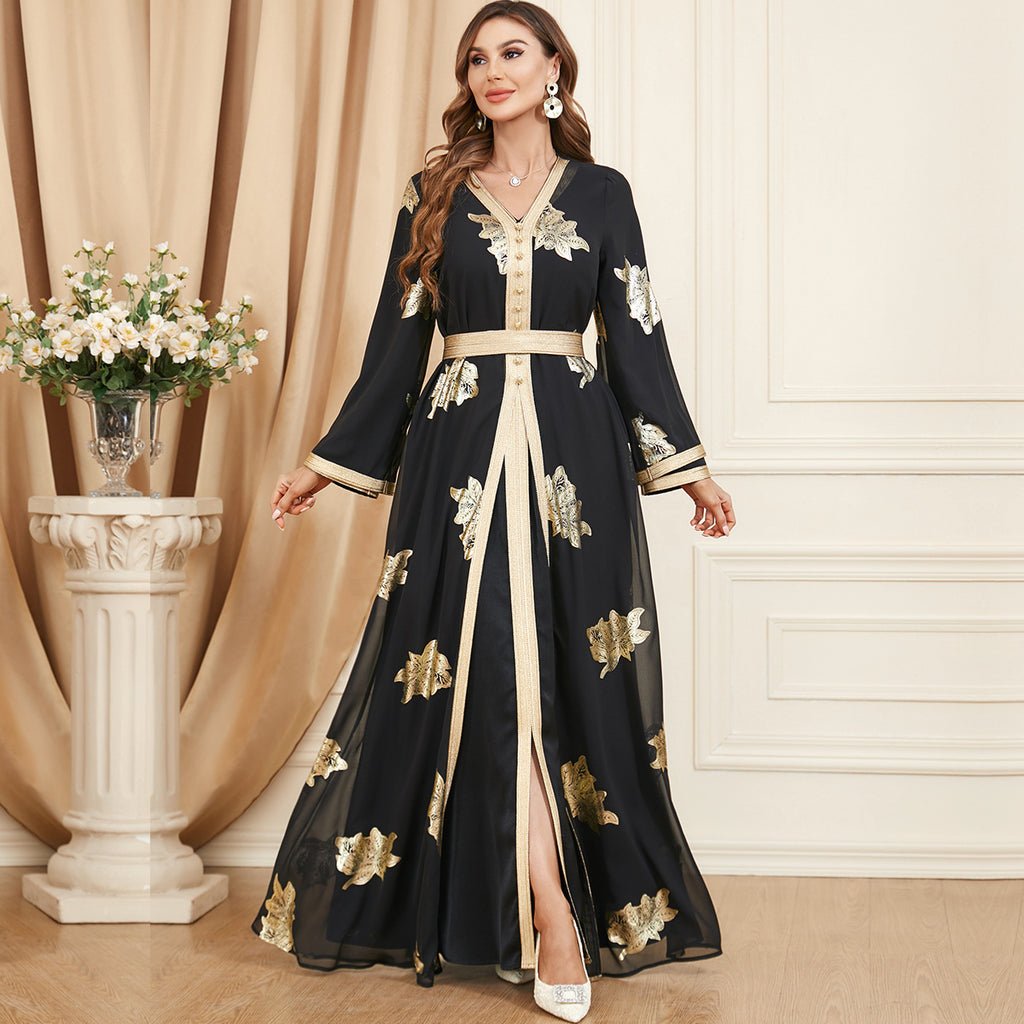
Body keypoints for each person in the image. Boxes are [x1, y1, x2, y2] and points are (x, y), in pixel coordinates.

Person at [253, 3, 732, 1020]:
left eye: (512, 52)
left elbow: (636, 332)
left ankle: (550, 901)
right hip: (458, 459)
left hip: (575, 464)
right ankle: (549, 913)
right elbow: (396, 345)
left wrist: (687, 468)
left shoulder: (602, 194)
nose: (491, 71)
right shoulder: (433, 196)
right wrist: (326, 465)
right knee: (485, 672)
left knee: (558, 675)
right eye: (476, 58)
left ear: (555, 66)